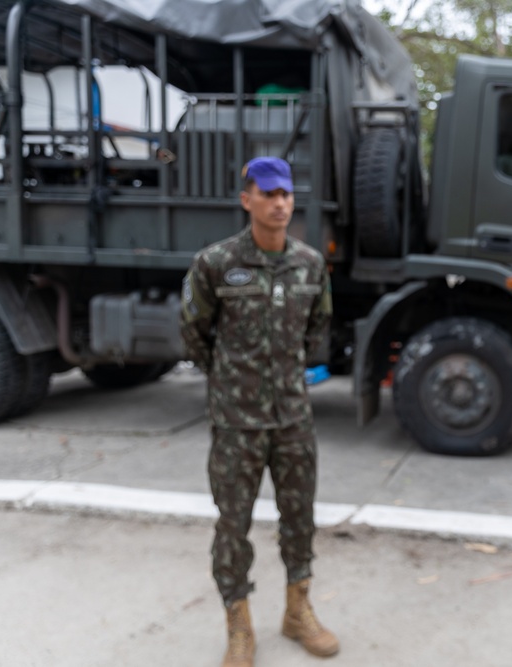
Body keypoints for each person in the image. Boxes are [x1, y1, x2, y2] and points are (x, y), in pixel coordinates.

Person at [181, 156, 337, 666]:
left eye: (285, 194)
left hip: (292, 417)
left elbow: (318, 330)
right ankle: (239, 626)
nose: (279, 203)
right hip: (237, 423)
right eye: (267, 194)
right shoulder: (216, 263)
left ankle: (297, 611)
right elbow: (194, 332)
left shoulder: (310, 264)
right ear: (246, 198)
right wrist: (229, 382)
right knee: (233, 525)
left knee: (300, 519)